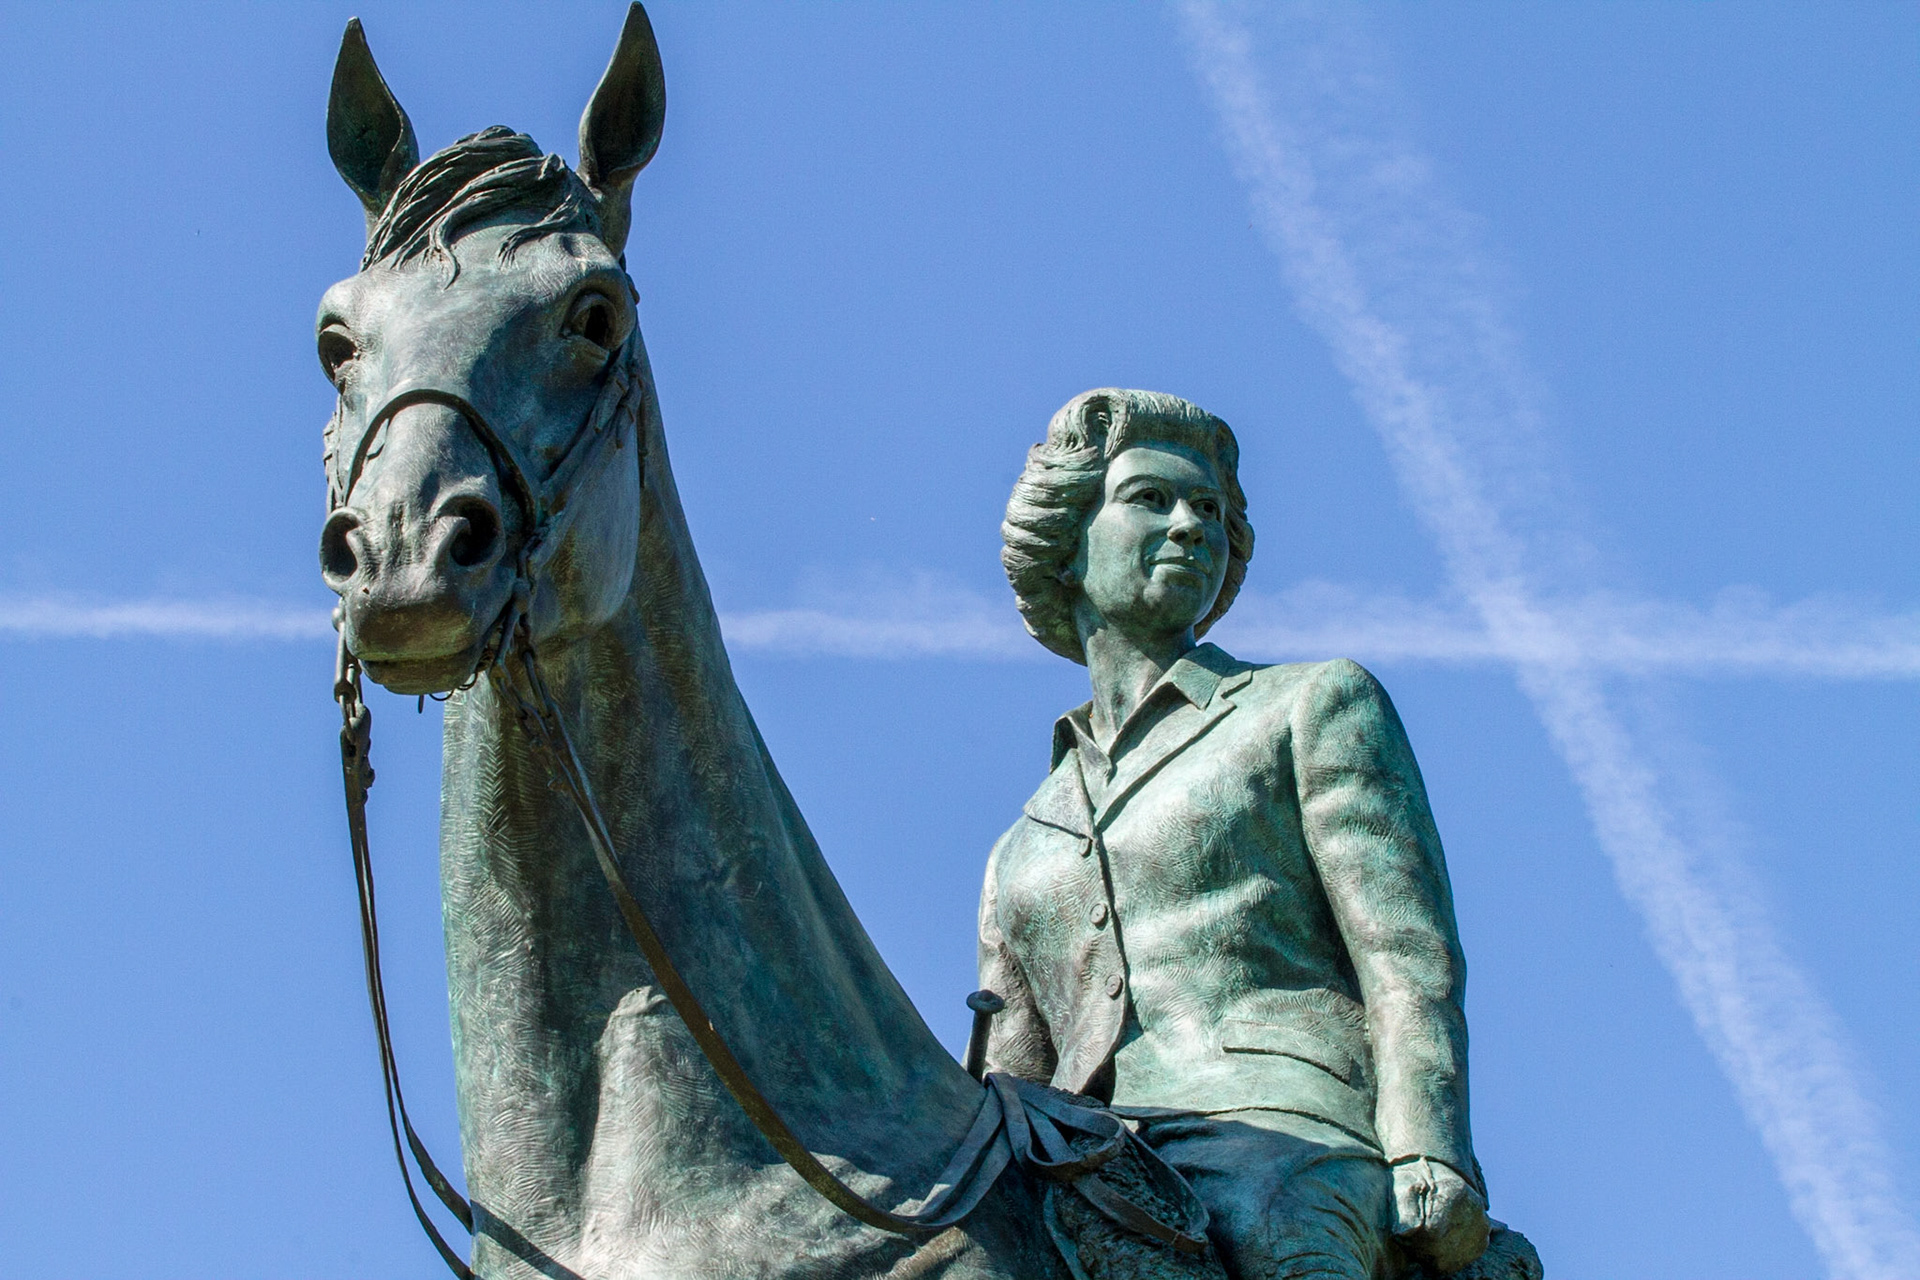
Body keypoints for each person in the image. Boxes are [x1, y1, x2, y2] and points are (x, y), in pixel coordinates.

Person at [978, 389, 1490, 1279]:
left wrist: (1427, 1147)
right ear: (1068, 542)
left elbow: (1406, 954)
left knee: (1275, 1232)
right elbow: (1007, 1075)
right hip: (1082, 1158)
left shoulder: (1311, 705)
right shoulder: (1021, 845)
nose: (1189, 526)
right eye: (1151, 500)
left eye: (1208, 510)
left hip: (1280, 1134)